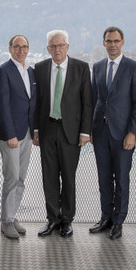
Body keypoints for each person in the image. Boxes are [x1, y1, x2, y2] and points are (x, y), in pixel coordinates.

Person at [33, 30, 93, 238]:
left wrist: (85, 132)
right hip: (47, 129)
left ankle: (67, 220)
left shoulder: (81, 68)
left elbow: (87, 102)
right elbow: (38, 102)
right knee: (49, 177)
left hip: (71, 132)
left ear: (67, 47)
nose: (57, 49)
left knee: (68, 177)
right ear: (48, 49)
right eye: (52, 46)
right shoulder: (40, 68)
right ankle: (52, 219)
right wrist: (36, 129)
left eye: (60, 45)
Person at [91, 26, 136, 240]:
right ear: (103, 43)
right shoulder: (97, 67)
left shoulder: (133, 67)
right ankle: (106, 217)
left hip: (123, 134)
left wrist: (133, 132)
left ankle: (119, 221)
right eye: (108, 41)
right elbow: (94, 99)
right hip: (100, 133)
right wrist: (91, 130)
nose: (112, 44)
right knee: (104, 178)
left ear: (122, 42)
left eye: (116, 40)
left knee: (121, 178)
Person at [0, 35, 36, 239]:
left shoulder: (31, 71)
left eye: (24, 46)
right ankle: (6, 221)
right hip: (10, 135)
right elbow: (2, 105)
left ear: (28, 49)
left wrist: (35, 131)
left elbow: (32, 103)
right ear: (10, 49)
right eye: (16, 46)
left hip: (27, 132)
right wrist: (10, 133)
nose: (21, 50)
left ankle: (11, 215)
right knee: (11, 178)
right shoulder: (3, 71)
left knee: (21, 178)